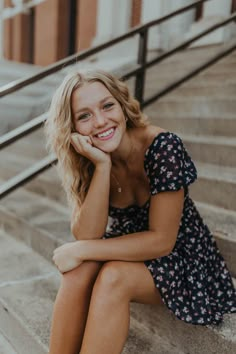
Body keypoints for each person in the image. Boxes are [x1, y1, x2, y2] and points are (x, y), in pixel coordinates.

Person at [45, 69, 236, 354]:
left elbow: (161, 241)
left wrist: (82, 250)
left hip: (182, 258)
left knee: (112, 276)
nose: (100, 122)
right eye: (84, 116)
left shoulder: (163, 148)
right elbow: (87, 234)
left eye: (107, 106)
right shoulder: (89, 157)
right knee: (78, 272)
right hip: (128, 251)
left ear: (122, 104)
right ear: (72, 127)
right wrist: (102, 166)